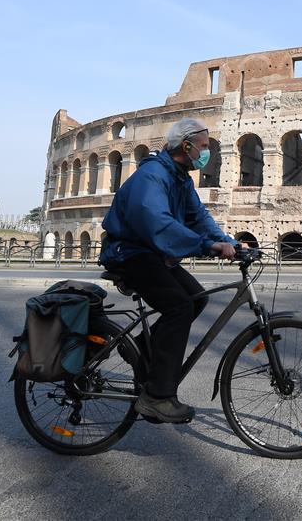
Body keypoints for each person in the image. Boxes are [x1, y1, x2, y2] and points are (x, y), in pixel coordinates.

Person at [99, 118, 238, 423]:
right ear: (185, 146)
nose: (207, 152)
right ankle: (157, 397)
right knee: (179, 307)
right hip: (129, 254)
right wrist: (207, 246)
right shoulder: (153, 175)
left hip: (152, 254)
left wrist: (229, 243)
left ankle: (139, 348)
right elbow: (157, 224)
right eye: (203, 146)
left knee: (197, 297)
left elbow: (199, 217)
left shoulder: (180, 179)